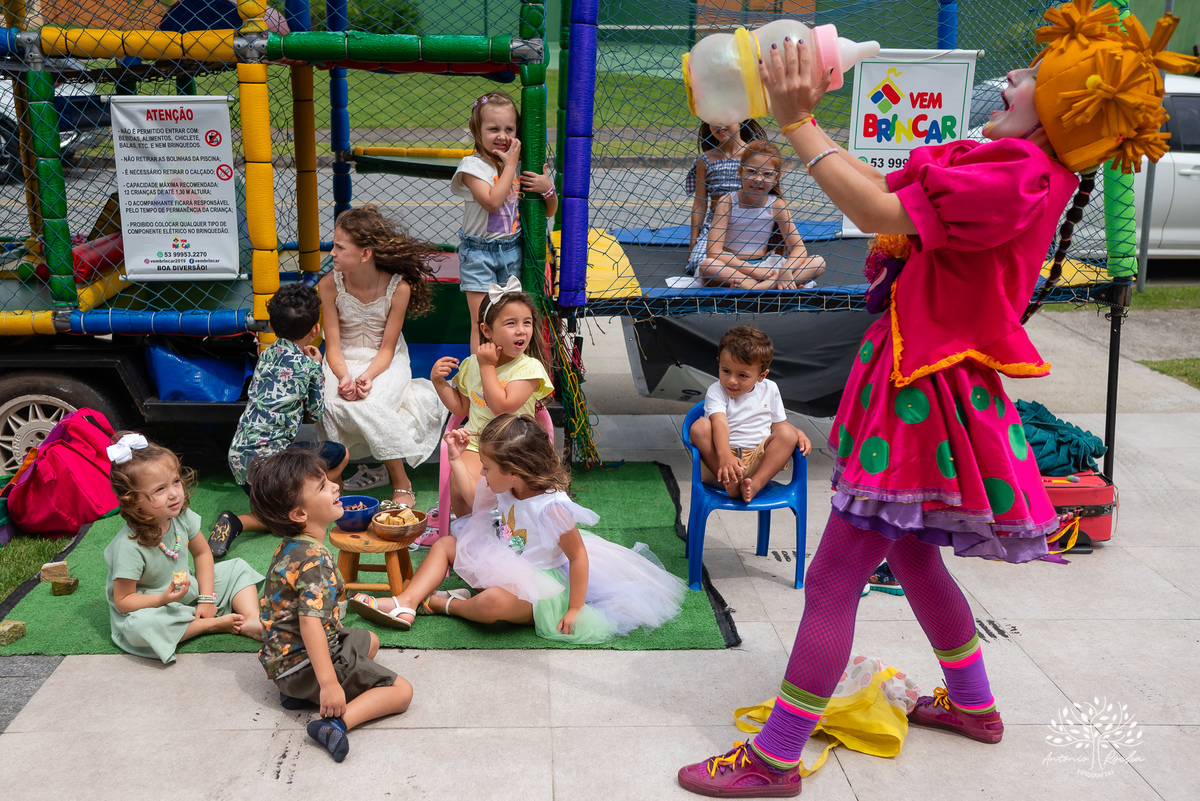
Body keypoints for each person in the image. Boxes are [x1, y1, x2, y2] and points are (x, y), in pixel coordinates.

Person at [677, 2, 1197, 796]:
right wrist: (811, 122)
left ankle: (774, 758)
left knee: (836, 575)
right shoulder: (1018, 164)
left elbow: (878, 210)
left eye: (1032, 76)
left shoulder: (1017, 174)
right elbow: (887, 190)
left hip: (920, 389)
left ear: (1063, 108)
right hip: (928, 376)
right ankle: (976, 705)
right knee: (913, 555)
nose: (1012, 76)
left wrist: (797, 123)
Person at [349, 414, 686, 641]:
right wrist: (454, 460)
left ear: (515, 470)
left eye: (487, 468)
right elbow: (472, 500)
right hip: (504, 558)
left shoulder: (551, 507)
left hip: (543, 583)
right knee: (446, 544)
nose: (483, 474)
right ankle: (405, 603)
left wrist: (574, 609)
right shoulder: (508, 486)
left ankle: (446, 604)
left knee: (491, 605)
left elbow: (579, 558)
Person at [252, 448, 414, 763]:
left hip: (284, 661)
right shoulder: (314, 561)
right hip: (302, 664)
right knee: (402, 692)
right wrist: (329, 685)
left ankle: (295, 693)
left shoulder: (293, 545)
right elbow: (309, 623)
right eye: (324, 486)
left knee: (370, 640)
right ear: (299, 514)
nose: (336, 487)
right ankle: (334, 724)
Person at [317, 206, 448, 508]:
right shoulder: (328, 285)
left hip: (385, 360)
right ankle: (334, 480)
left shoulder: (397, 288)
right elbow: (333, 345)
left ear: (364, 254)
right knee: (329, 403)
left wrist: (368, 377)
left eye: (339, 247)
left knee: (373, 403)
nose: (332, 252)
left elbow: (388, 348)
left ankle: (400, 479)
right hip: (343, 359)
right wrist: (343, 376)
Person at [208, 282, 350, 557]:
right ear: (315, 331)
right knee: (339, 453)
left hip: (240, 461)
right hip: (270, 467)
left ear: (271, 327)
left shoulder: (266, 354)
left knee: (279, 515)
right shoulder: (309, 365)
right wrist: (317, 368)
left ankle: (236, 521)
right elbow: (316, 413)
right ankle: (320, 509)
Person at [103, 432, 263, 664]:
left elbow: (202, 553)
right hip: (151, 605)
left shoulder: (181, 516)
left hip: (188, 591)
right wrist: (162, 600)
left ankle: (250, 620)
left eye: (175, 481)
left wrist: (207, 598)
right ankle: (208, 625)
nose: (173, 493)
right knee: (140, 627)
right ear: (133, 500)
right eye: (159, 490)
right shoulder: (128, 545)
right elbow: (124, 600)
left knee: (237, 568)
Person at [428, 280, 554, 523]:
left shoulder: (528, 368)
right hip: (476, 443)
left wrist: (486, 365)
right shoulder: (471, 365)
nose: (521, 330)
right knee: (460, 480)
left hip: (517, 445)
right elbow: (461, 408)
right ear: (487, 331)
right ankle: (470, 531)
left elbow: (502, 408)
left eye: (526, 322)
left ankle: (500, 530)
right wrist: (439, 383)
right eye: (511, 323)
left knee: (487, 495)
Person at [451, 91, 558, 352]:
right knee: (482, 322)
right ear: (476, 130)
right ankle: (480, 380)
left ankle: (508, 373)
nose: (502, 136)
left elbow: (549, 211)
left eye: (509, 129)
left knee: (510, 320)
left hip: (512, 250)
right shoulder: (472, 167)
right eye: (493, 129)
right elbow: (491, 202)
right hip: (479, 254)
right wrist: (510, 166)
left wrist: (548, 189)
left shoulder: (521, 165)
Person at [689, 326, 811, 501]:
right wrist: (725, 456)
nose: (731, 380)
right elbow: (719, 422)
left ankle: (755, 484)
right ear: (719, 363)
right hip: (719, 463)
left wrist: (798, 433)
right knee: (700, 426)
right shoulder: (716, 390)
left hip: (757, 460)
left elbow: (779, 426)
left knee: (787, 434)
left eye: (742, 375)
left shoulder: (770, 389)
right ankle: (729, 481)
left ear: (761, 375)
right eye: (726, 371)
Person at [697, 140, 826, 289]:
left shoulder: (777, 205)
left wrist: (786, 270)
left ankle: (756, 287)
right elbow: (713, 252)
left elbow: (799, 248)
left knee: (818, 262)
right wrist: (754, 271)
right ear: (740, 171)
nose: (758, 179)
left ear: (776, 177)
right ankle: (768, 285)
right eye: (751, 171)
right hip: (734, 267)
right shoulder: (727, 201)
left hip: (765, 266)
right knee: (708, 266)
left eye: (767, 174)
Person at [686, 119, 766, 274]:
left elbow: (771, 196)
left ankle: (737, 272)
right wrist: (693, 242)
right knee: (698, 263)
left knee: (780, 262)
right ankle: (746, 274)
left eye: (725, 119)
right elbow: (700, 203)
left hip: (752, 224)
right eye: (713, 120)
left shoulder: (756, 155)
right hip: (716, 226)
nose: (719, 125)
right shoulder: (705, 160)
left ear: (741, 118)